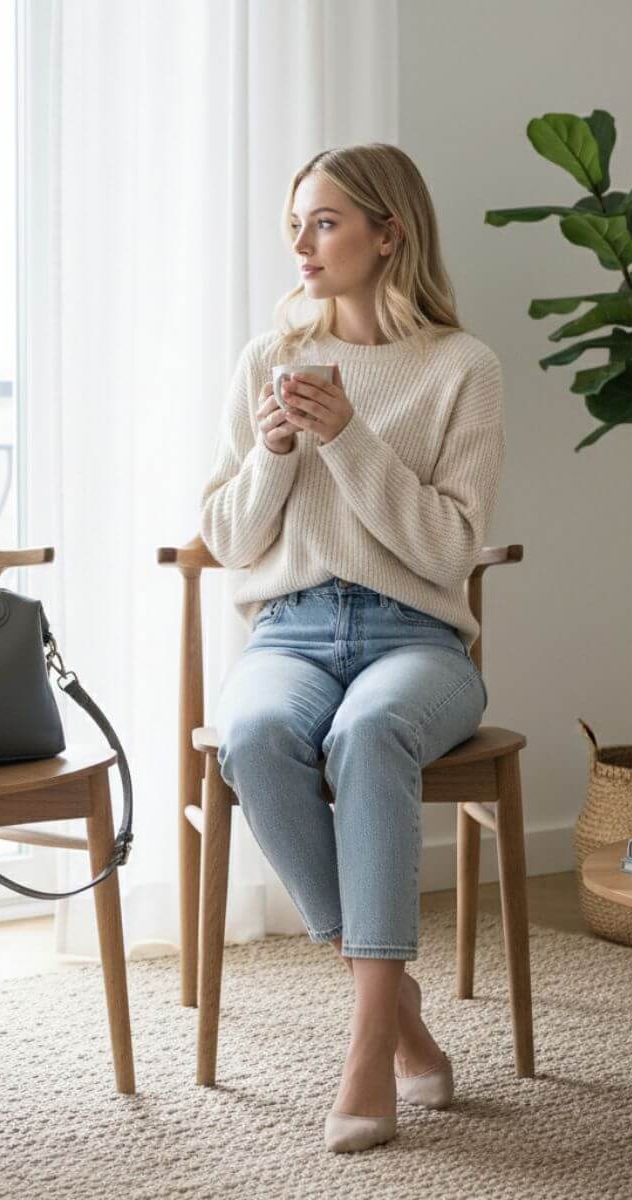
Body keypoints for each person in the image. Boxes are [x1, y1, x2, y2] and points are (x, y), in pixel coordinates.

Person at [199, 143, 505, 1154]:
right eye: (296, 223)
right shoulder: (265, 359)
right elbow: (230, 539)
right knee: (249, 737)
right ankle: (398, 1005)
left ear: (389, 232)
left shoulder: (462, 367)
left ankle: (369, 1048)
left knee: (371, 733)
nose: (302, 242)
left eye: (324, 221)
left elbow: (453, 547)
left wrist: (347, 441)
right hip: (289, 629)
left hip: (414, 639)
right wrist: (280, 453)